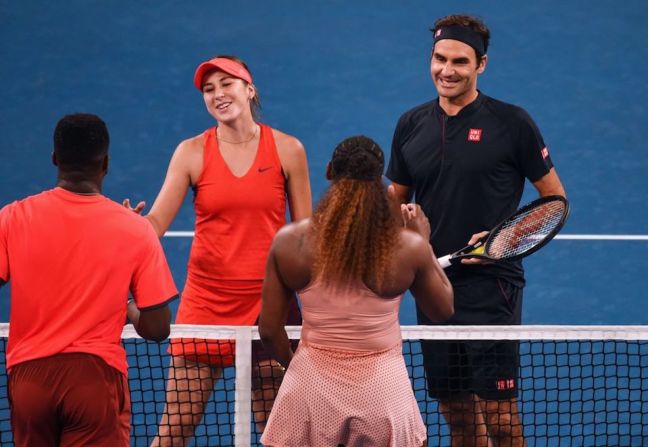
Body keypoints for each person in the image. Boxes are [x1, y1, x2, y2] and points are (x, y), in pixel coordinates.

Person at [386, 14, 567, 447]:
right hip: (432, 284)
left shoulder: (513, 124)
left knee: (501, 421)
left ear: (481, 65)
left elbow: (555, 202)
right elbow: (395, 199)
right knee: (458, 418)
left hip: (492, 286)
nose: (446, 70)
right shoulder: (411, 124)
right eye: (439, 58)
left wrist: (501, 240)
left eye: (460, 62)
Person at [124, 55, 312, 445]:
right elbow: (155, 224)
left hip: (271, 308)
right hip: (205, 306)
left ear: (250, 89)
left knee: (281, 434)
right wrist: (129, 228)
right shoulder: (191, 152)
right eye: (209, 90)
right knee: (175, 430)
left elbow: (304, 235)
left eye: (227, 84)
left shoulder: (288, 149)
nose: (218, 94)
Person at [258, 135, 454, 447]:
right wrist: (424, 241)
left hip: (310, 389)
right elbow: (442, 310)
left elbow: (269, 330)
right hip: (382, 393)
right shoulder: (407, 247)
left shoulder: (289, 241)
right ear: (382, 183)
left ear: (328, 172)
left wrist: (297, 365)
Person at [0, 113, 177, 446]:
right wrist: (124, 299)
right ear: (106, 163)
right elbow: (157, 328)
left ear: (55, 159)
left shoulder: (12, 217)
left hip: (28, 383)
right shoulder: (135, 230)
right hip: (95, 383)